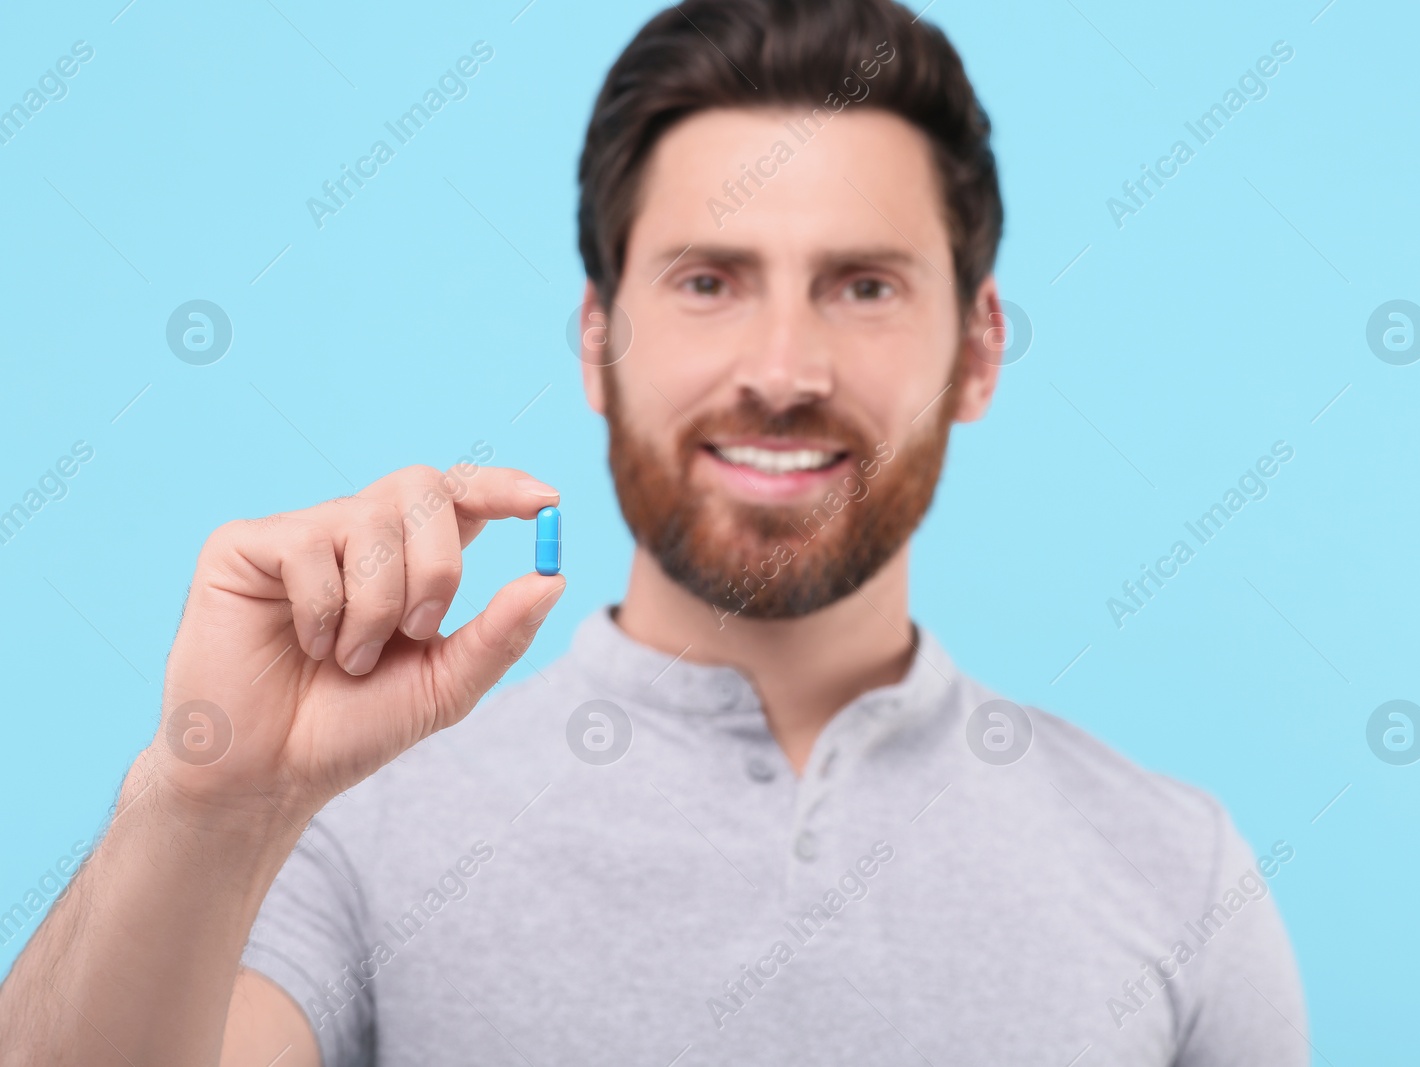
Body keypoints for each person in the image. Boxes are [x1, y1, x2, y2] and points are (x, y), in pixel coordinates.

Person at [0, 0, 1306, 1062]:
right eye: (707, 282)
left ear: (977, 352)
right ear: (596, 343)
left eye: (863, 285)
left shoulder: (1180, 873)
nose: (783, 368)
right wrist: (206, 800)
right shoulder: (342, 828)